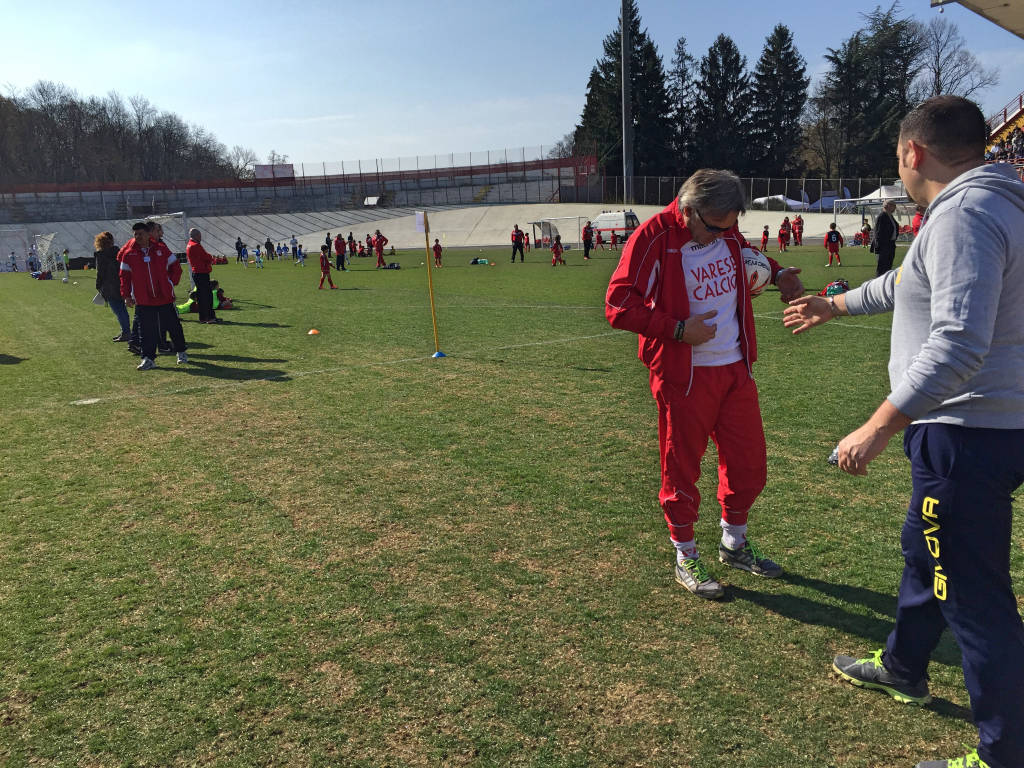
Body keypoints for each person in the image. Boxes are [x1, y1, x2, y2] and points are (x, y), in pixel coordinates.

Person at [782, 95, 1024, 768]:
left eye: (897, 155)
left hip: (965, 433)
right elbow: (906, 284)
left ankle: (1005, 754)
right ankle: (903, 666)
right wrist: (835, 304)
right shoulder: (989, 203)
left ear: (913, 153)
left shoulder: (965, 215)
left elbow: (955, 345)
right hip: (992, 428)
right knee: (925, 548)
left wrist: (880, 424)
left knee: (976, 601)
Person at [605, 169, 804, 599]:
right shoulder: (653, 236)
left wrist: (779, 272)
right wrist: (678, 330)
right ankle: (685, 554)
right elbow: (618, 306)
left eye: (730, 225)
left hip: (736, 370)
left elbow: (746, 256)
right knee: (682, 471)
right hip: (684, 376)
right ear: (689, 210)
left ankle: (734, 544)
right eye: (715, 225)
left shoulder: (727, 232)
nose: (724, 234)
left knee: (750, 466)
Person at [118, 222, 188, 370]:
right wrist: (126, 295)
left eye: (140, 234)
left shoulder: (161, 249)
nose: (137, 237)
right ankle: (148, 358)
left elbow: (176, 267)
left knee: (173, 326)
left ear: (148, 234)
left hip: (164, 297)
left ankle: (181, 352)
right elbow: (124, 277)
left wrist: (170, 282)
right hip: (143, 299)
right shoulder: (129, 254)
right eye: (135, 234)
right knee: (146, 330)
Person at [94, 232, 130, 341]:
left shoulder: (101, 255)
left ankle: (126, 332)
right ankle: (126, 331)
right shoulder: (119, 252)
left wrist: (98, 286)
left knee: (118, 310)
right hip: (121, 283)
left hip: (109, 286)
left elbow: (101, 273)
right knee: (122, 310)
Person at [186, 227, 219, 324]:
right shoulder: (196, 246)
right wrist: (210, 258)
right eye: (199, 235)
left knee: (202, 296)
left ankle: (206, 317)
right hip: (201, 273)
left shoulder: (189, 245)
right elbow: (207, 256)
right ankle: (208, 317)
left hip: (197, 273)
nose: (201, 237)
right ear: (196, 236)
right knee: (206, 296)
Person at [873, 199, 899, 276]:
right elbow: (878, 233)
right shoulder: (882, 216)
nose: (895, 207)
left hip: (890, 245)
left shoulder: (890, 216)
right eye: (893, 205)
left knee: (888, 268)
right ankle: (878, 286)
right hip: (884, 246)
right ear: (887, 206)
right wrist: (879, 246)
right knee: (882, 269)